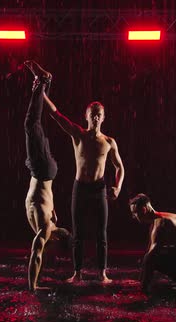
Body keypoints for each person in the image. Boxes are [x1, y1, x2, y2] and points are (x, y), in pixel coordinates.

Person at [41, 76, 125, 283]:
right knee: (78, 233)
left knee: (100, 233)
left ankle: (102, 274)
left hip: (99, 189)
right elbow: (56, 115)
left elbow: (120, 167)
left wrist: (117, 187)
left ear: (104, 118)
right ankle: (77, 273)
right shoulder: (78, 134)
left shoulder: (109, 142)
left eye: (99, 115)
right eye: (93, 115)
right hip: (80, 188)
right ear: (86, 116)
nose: (96, 118)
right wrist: (42, 95)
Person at [23, 60, 70, 292]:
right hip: (42, 170)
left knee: (36, 122)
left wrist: (52, 209)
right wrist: (33, 287)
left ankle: (43, 83)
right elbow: (36, 255)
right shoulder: (46, 230)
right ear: (57, 239)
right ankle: (43, 81)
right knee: (31, 124)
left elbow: (48, 206)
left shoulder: (49, 222)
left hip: (42, 171)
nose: (48, 251)